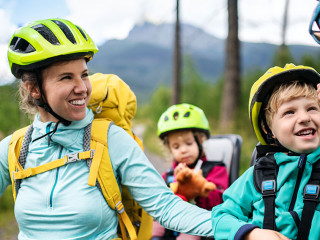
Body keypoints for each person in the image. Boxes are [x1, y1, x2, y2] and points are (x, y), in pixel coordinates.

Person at [0, 18, 214, 239]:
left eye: (84, 75)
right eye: (66, 77)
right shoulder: (15, 148)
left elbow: (166, 206)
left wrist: (238, 229)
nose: (82, 88)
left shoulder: (111, 139)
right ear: (34, 88)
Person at [211, 63, 320, 240]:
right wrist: (251, 234)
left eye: (312, 108)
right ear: (268, 129)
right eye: (289, 112)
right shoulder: (258, 176)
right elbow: (221, 216)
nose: (305, 118)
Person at [152, 103, 229, 240]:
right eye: (176, 146)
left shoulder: (216, 169)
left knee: (190, 233)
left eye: (188, 143)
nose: (183, 150)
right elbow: (158, 200)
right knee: (152, 226)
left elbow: (221, 202)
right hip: (169, 222)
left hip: (200, 224)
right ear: (170, 149)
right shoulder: (169, 175)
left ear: (200, 141)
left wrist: (198, 188)